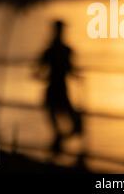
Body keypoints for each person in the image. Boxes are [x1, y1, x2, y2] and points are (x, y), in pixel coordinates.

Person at [36, 20, 82, 152]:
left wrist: (43, 76)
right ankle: (59, 142)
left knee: (57, 122)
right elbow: (72, 71)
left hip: (53, 89)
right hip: (61, 90)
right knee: (72, 124)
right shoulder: (66, 50)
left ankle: (58, 142)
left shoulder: (49, 51)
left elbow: (38, 72)